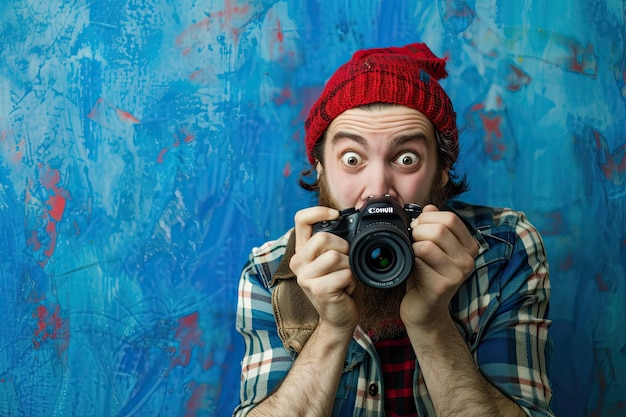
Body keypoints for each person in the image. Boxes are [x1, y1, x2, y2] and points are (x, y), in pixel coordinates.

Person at [233, 42, 553, 416]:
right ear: (320, 167)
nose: (378, 189)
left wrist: (433, 327)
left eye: (406, 159)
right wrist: (332, 331)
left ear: (443, 168)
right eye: (352, 159)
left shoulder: (504, 248)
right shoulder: (270, 270)